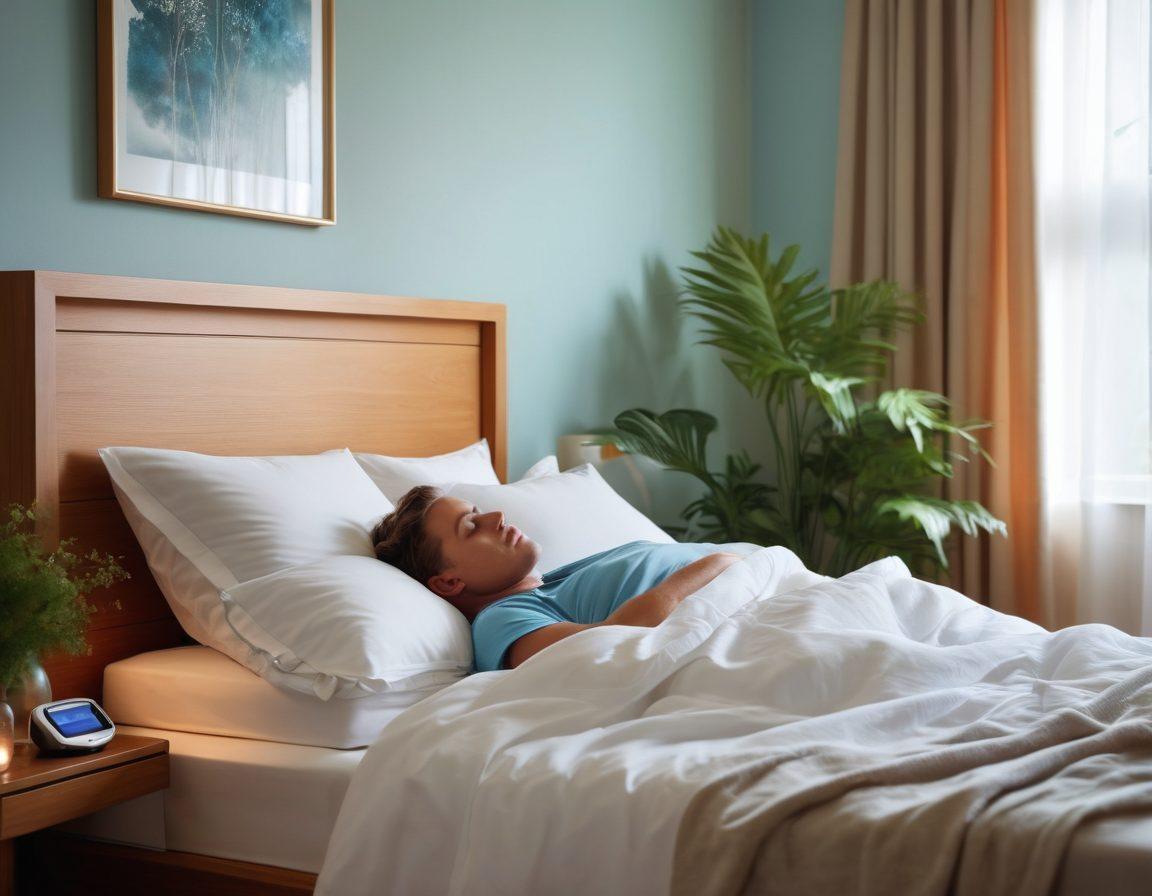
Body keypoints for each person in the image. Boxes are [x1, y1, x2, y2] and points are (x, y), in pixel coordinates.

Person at [371, 485, 742, 672]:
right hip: (737, 604)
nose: (496, 516)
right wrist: (724, 564)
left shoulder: (556, 584)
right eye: (471, 526)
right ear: (449, 583)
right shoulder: (500, 620)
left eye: (479, 511)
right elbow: (613, 644)